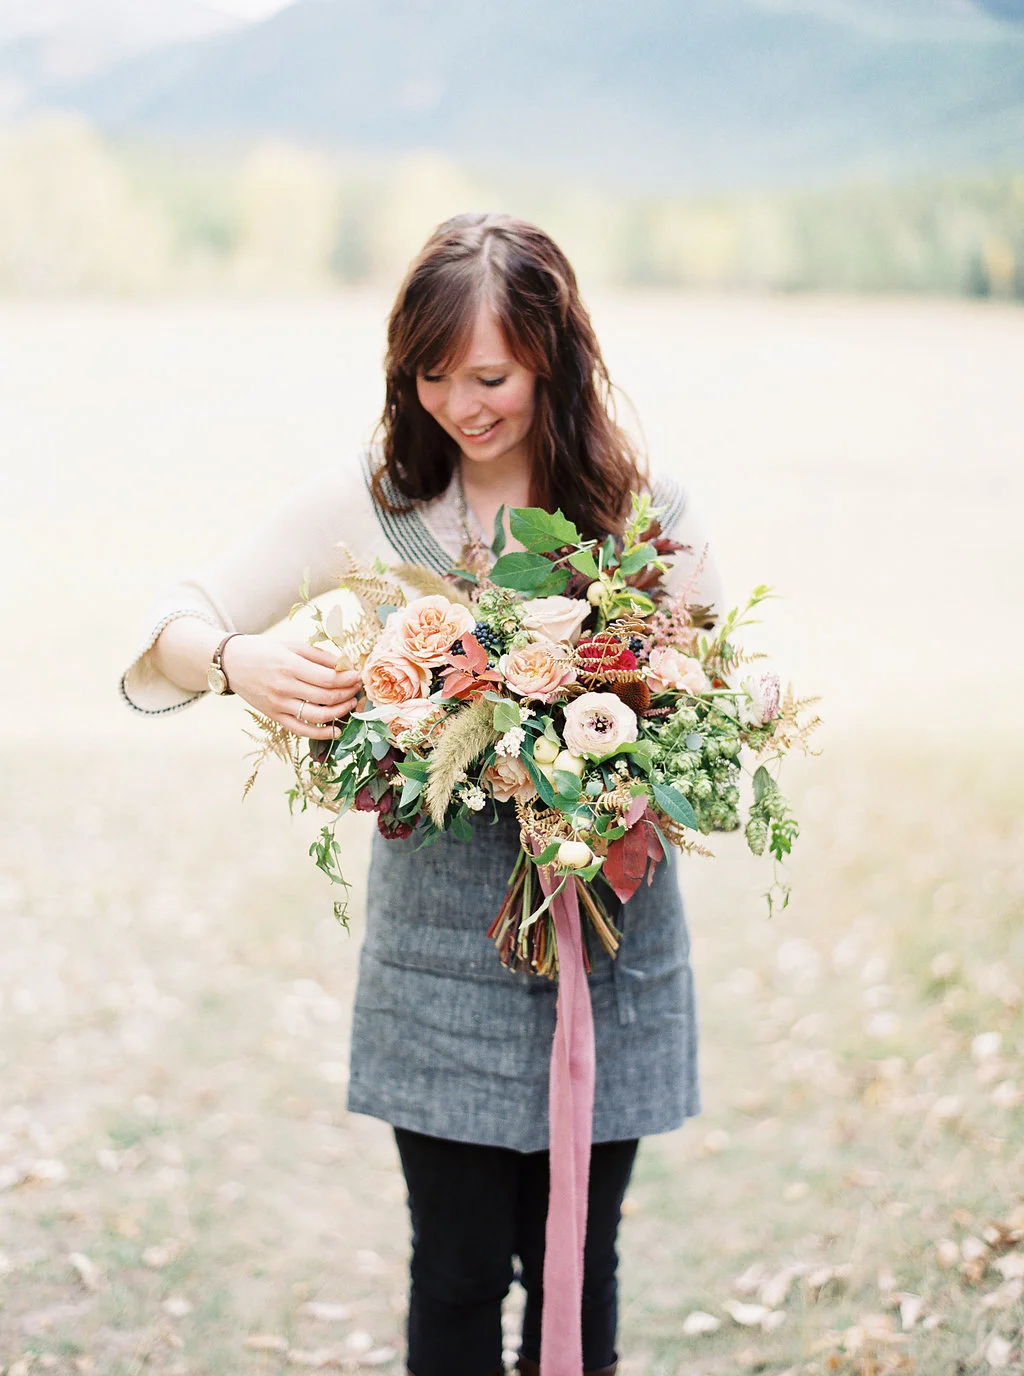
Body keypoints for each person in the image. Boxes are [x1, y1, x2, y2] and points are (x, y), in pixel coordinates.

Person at [121, 212, 723, 1376]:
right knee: (452, 1271)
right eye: (432, 374)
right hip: (437, 960)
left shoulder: (648, 506)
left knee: (574, 1264)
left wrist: (626, 739)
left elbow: (712, 689)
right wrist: (236, 661)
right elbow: (175, 611)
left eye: (489, 374)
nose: (463, 403)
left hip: (610, 950)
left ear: (555, 354)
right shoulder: (376, 496)